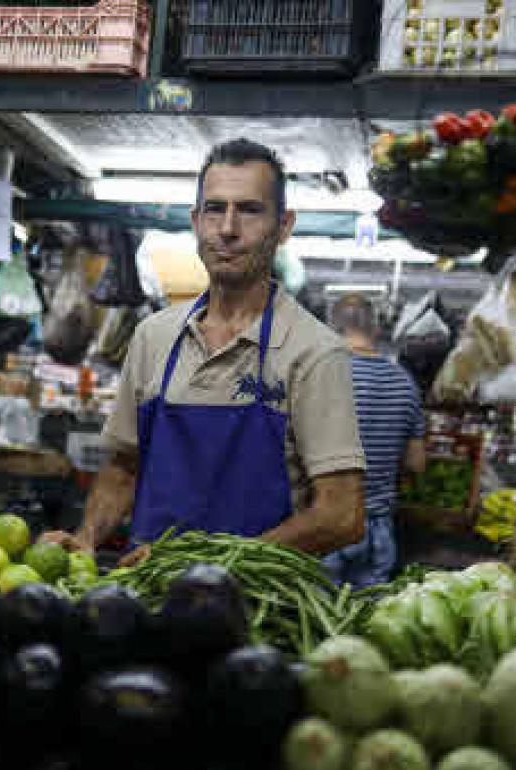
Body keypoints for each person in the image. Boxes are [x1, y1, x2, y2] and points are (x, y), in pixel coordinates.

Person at [44, 139, 366, 561]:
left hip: (256, 611)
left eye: (250, 210)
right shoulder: (153, 337)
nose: (228, 229)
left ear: (284, 226)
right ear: (196, 222)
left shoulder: (314, 352)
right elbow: (124, 469)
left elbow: (342, 515)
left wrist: (206, 567)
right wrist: (87, 538)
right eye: (215, 209)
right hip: (146, 604)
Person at [323, 294, 427, 587]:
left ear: (331, 328)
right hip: (376, 529)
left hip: (322, 522)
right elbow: (416, 464)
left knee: (315, 620)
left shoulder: (319, 375)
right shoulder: (404, 382)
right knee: (366, 619)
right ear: (376, 330)